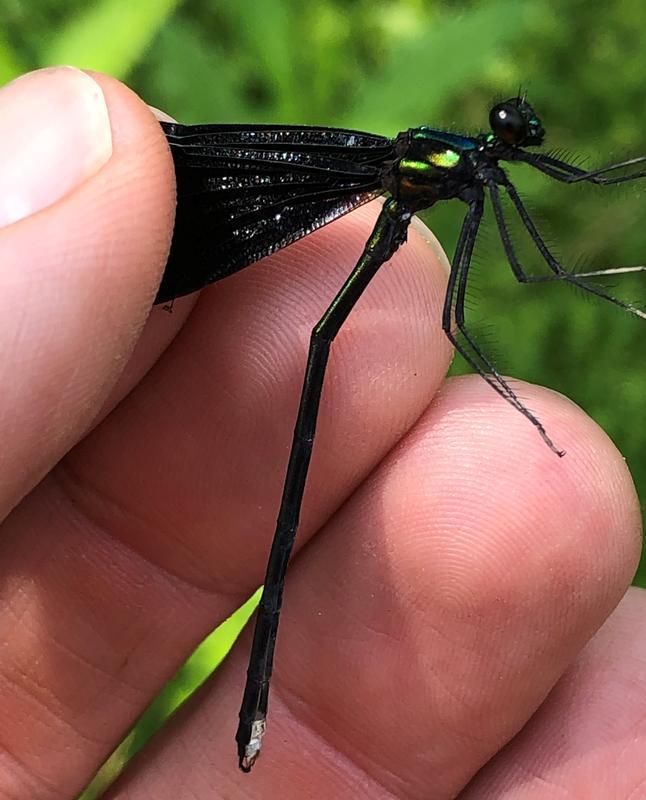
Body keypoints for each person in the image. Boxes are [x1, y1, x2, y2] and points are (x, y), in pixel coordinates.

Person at [0, 66, 643, 799]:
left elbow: (556, 241)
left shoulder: (468, 166)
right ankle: (255, 703)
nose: (517, 138)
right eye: (512, 131)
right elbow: (495, 298)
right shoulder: (453, 166)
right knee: (384, 329)